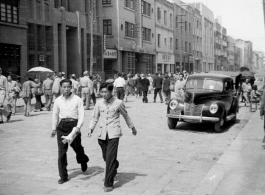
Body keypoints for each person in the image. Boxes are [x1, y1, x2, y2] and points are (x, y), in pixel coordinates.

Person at [88, 82, 137, 192]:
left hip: (114, 133)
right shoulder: (99, 103)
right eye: (102, 92)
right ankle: (114, 164)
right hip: (101, 134)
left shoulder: (118, 103)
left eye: (106, 92)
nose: (103, 94)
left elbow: (126, 116)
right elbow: (94, 118)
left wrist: (132, 127)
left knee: (110, 158)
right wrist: (91, 128)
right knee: (107, 157)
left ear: (111, 92)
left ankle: (108, 183)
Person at [51, 79, 89, 184]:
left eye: (68, 86)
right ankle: (63, 176)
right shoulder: (58, 100)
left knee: (77, 148)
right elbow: (55, 114)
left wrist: (78, 127)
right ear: (61, 88)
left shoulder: (77, 99)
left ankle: (83, 160)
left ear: (71, 87)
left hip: (74, 126)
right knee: (61, 153)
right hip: (62, 127)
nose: (66, 89)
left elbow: (81, 115)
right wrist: (54, 128)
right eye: (64, 87)